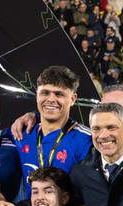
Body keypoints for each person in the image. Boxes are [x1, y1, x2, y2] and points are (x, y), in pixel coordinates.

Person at [14, 66, 94, 194]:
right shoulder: (21, 131)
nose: (50, 99)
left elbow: (95, 194)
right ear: (37, 95)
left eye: (59, 94)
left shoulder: (86, 140)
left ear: (72, 99)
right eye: (45, 93)